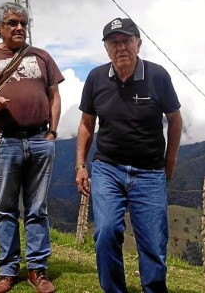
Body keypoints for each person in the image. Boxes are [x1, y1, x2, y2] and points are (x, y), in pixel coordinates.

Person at [0, 2, 63, 293]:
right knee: (6, 208)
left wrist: (53, 133)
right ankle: (8, 271)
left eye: (23, 23)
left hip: (40, 140)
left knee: (37, 208)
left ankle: (37, 270)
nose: (19, 27)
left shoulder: (42, 57)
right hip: (3, 141)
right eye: (12, 23)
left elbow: (54, 96)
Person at [75, 18, 183, 293]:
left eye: (127, 40)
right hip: (107, 167)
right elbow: (87, 124)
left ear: (139, 43)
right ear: (106, 48)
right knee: (106, 232)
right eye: (114, 42)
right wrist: (80, 166)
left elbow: (175, 120)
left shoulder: (158, 76)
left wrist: (168, 164)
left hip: (149, 170)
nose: (121, 47)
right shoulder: (96, 78)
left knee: (153, 242)